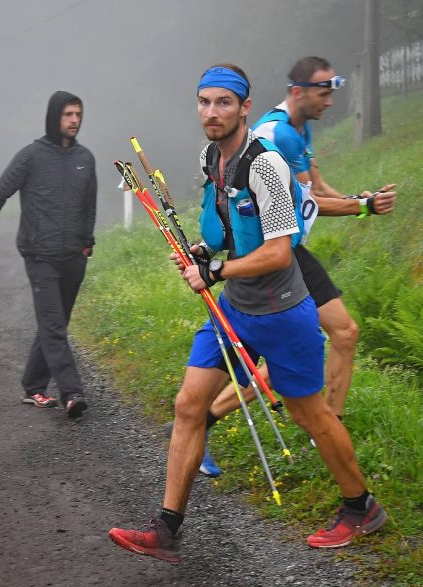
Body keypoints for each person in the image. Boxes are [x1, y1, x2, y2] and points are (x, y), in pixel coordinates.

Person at [108, 64, 387, 564]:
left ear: (245, 107)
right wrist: (200, 252)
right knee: (189, 405)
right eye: (204, 102)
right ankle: (166, 529)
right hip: (233, 309)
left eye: (223, 103)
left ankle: (361, 507)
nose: (211, 112)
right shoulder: (210, 158)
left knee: (310, 414)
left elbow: (280, 252)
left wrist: (213, 271)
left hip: (283, 313)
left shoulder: (267, 165)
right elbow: (226, 236)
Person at [179, 56, 398, 478]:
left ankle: (321, 427)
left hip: (281, 249)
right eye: (324, 91)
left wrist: (359, 201)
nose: (330, 101)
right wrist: (363, 207)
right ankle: (322, 429)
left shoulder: (300, 129)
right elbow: (295, 212)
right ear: (298, 91)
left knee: (310, 345)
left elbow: (313, 193)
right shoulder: (273, 138)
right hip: (276, 253)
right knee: (322, 339)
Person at [0, 90, 96, 420]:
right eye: (68, 114)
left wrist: (87, 242)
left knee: (56, 323)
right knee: (53, 326)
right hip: (40, 256)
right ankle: (72, 393)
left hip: (73, 256)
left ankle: (33, 385)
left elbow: (89, 204)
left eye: (78, 114)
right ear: (54, 117)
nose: (74, 120)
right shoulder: (31, 157)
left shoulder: (85, 158)